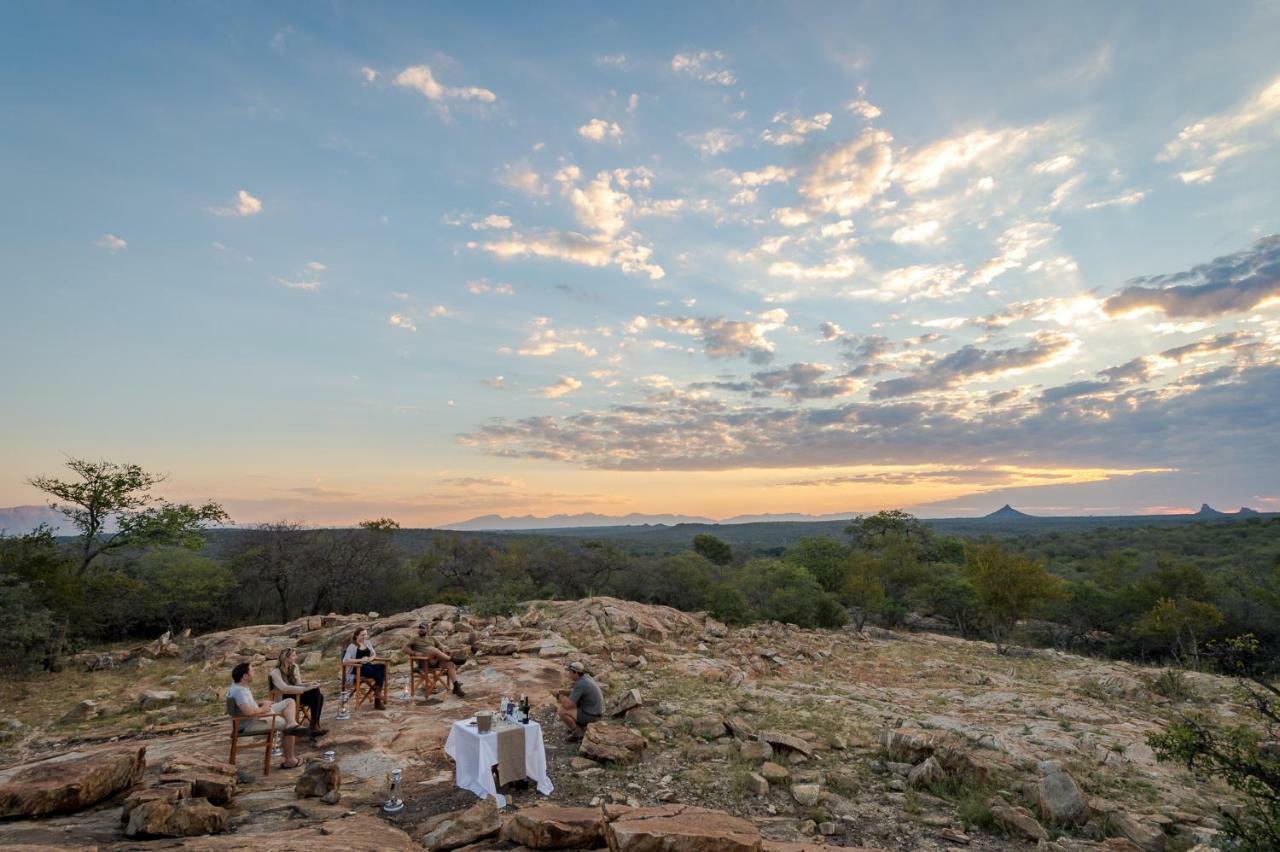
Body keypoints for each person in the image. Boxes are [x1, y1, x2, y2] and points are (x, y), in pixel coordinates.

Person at [226, 661, 315, 769]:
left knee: (289, 702)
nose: (254, 672)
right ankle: (290, 760)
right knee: (286, 725)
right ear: (245, 676)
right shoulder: (239, 691)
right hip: (250, 723)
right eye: (252, 670)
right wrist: (263, 708)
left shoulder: (239, 686)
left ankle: (292, 723)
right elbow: (248, 713)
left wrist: (261, 704)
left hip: (256, 715)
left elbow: (245, 706)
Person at [269, 648, 328, 736]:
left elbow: (298, 683)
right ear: (286, 658)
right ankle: (314, 727)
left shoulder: (294, 667)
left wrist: (309, 684)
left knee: (318, 693)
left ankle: (314, 724)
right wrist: (305, 689)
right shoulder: (275, 672)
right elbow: (284, 688)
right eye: (293, 655)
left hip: (296, 694)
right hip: (286, 699)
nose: (295, 657)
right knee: (316, 694)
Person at [404, 621, 466, 698]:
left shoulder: (432, 639)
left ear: (427, 630)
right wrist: (414, 653)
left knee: (450, 664)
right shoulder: (415, 639)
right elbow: (405, 648)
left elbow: (441, 646)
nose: (420, 629)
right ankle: (453, 659)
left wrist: (444, 648)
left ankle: (456, 686)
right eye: (419, 627)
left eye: (423, 628)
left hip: (435, 661)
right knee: (431, 649)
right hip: (424, 663)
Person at [554, 660, 603, 740]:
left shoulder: (581, 684)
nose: (568, 674)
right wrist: (562, 691)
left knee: (562, 711)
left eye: (570, 672)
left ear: (575, 673)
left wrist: (558, 695)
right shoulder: (585, 678)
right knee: (573, 705)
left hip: (592, 715)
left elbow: (568, 705)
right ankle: (581, 727)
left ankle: (578, 733)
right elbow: (575, 693)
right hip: (595, 711)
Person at [342, 626, 387, 710]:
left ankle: (377, 694)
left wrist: (370, 659)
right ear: (356, 636)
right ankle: (377, 701)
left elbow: (374, 654)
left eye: (366, 635)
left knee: (382, 666)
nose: (365, 637)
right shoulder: (352, 646)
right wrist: (360, 660)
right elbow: (345, 661)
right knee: (377, 672)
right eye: (362, 635)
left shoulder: (367, 643)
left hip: (368, 665)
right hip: (358, 668)